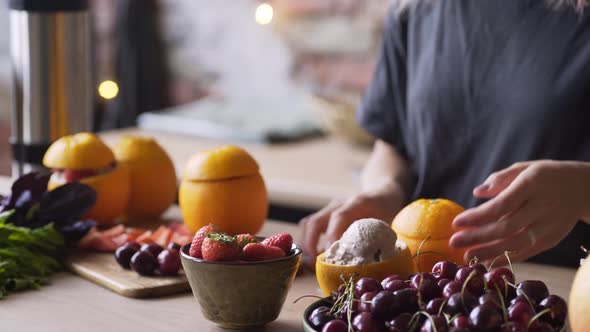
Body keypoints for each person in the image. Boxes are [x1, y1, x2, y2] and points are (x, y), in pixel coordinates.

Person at [300, 0, 590, 269]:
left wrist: (582, 189)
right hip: (428, 288)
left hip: (559, 292)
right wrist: (385, 190)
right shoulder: (414, 7)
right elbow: (391, 146)